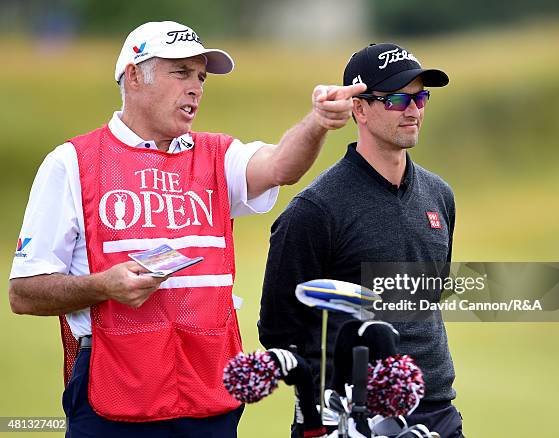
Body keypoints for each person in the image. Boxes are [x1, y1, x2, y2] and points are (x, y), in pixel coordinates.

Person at [8, 20, 366, 438]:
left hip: (210, 392)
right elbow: (24, 293)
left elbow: (280, 165)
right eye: (181, 73)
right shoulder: (71, 163)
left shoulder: (218, 154)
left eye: (200, 76)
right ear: (135, 75)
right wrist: (103, 286)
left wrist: (318, 121)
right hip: (113, 395)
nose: (196, 87)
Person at [259, 43, 464, 437]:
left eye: (421, 97)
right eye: (397, 99)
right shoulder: (315, 209)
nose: (413, 109)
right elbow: (279, 328)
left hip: (438, 409)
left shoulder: (440, 195)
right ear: (359, 109)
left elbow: (429, 296)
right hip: (353, 419)